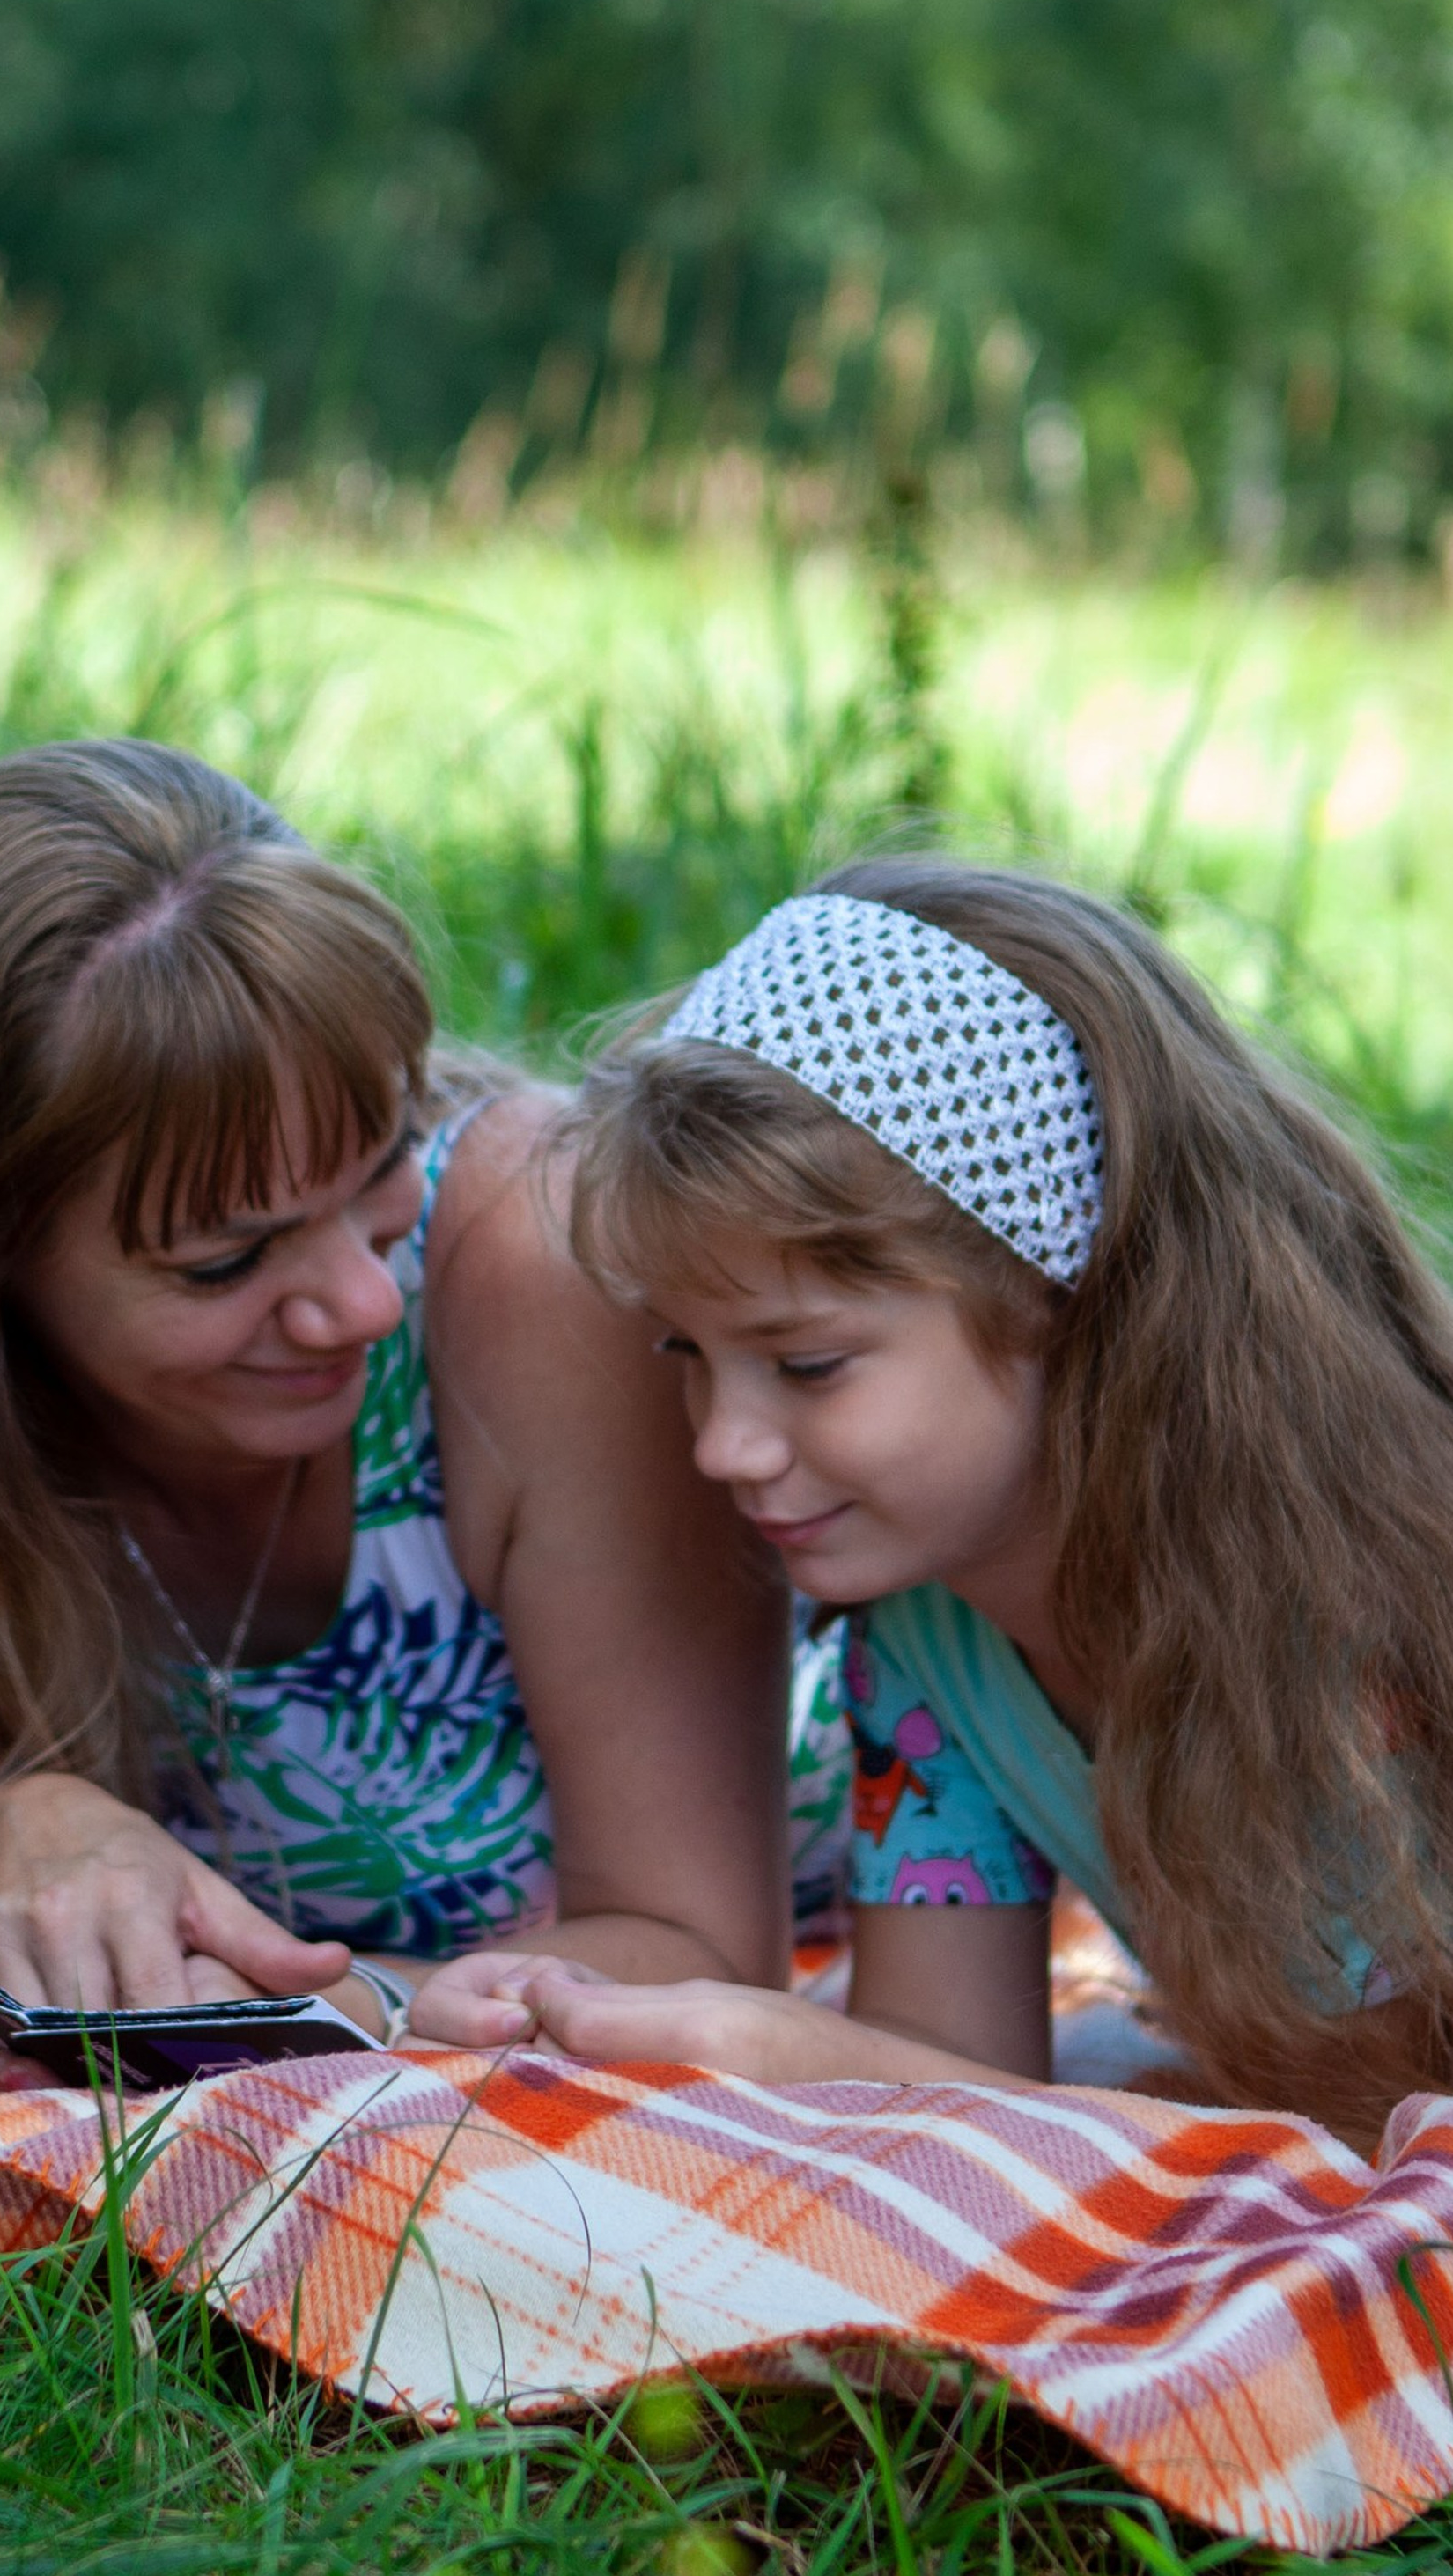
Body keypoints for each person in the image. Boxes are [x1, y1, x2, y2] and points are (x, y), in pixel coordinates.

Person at [0, 738, 793, 2094]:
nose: (359, 1301)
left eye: (382, 1162)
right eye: (226, 1261)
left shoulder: (529, 1261)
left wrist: (289, 2015)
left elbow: (701, 1947)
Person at [414, 858, 1453, 2144]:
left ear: (1067, 1299)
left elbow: (1364, 2129)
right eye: (688, 1355)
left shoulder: (1336, 1611)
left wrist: (793, 2043)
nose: (724, 1447)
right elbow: (952, 2059)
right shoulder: (931, 1630)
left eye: (808, 1365)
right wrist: (674, 2024)